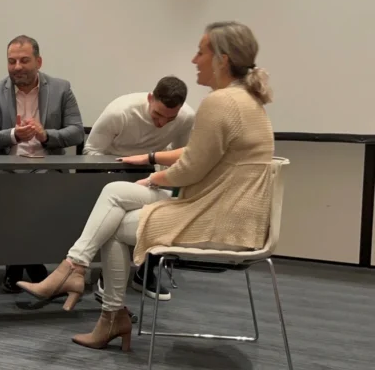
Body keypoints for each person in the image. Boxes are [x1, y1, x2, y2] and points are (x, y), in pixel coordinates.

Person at [17, 21, 275, 351]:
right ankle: (79, 275)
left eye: (200, 52)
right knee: (113, 195)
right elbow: (199, 157)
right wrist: (153, 164)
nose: (194, 60)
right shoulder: (247, 100)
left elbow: (190, 168)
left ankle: (98, 301)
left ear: (222, 60)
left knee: (112, 223)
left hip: (218, 222)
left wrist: (152, 176)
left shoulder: (221, 102)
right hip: (237, 219)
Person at [0, 34, 84, 292]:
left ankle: (14, 263)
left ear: (38, 62)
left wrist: (46, 135)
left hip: (46, 167)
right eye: (11, 61)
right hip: (5, 168)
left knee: (39, 197)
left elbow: (77, 132)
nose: (17, 67)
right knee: (7, 196)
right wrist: (13, 134)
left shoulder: (61, 89)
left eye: (24, 60)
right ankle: (30, 265)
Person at [84, 76, 195, 304]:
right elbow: (92, 151)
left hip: (148, 170)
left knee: (161, 211)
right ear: (150, 98)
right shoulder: (120, 111)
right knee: (116, 206)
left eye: (170, 118)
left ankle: (144, 272)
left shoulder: (186, 117)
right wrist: (108, 176)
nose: (162, 123)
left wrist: (163, 179)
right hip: (112, 167)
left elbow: (181, 156)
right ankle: (109, 272)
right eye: (157, 115)